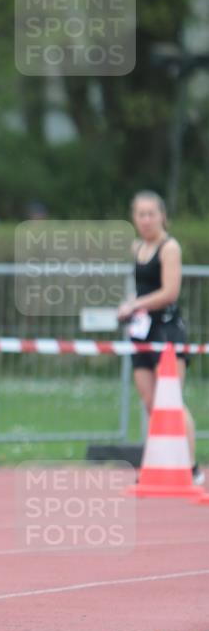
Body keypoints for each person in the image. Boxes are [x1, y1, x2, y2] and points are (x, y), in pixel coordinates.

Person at [117, 190, 203, 486]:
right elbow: (140, 290)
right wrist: (128, 305)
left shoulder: (170, 248)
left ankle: (192, 467)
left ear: (162, 216)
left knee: (173, 399)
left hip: (166, 330)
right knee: (150, 401)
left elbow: (169, 292)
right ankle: (158, 463)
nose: (146, 220)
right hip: (142, 331)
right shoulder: (136, 247)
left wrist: (136, 305)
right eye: (140, 214)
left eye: (151, 213)